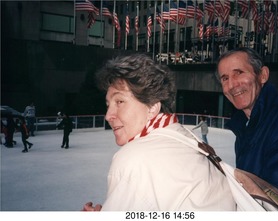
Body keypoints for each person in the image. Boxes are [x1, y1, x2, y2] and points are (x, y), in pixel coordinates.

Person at [82, 54, 235, 211]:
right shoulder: (179, 136)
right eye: (108, 105)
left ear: (152, 108)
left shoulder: (137, 158)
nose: (108, 116)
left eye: (119, 102)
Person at [216, 47, 278, 211]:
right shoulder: (244, 125)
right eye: (225, 78)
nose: (232, 84)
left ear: (262, 75)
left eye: (239, 73)